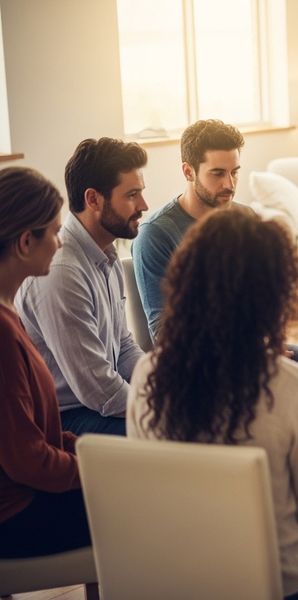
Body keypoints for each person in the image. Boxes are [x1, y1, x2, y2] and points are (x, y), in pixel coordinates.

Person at [130, 119, 298, 535]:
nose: (229, 184)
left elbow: (255, 305)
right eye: (217, 173)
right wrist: (249, 350)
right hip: (196, 361)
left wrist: (261, 343)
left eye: (235, 172)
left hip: (250, 347)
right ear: (188, 170)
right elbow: (162, 331)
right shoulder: (158, 234)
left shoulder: (243, 219)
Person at [127, 209, 298, 598]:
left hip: (177, 574)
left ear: (186, 282)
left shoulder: (147, 375)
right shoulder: (296, 386)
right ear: (273, 295)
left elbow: (147, 495)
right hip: (275, 578)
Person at [15, 138, 148, 436]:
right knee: (181, 435)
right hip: (68, 419)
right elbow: (100, 390)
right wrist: (162, 409)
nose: (144, 205)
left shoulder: (106, 253)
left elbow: (123, 347)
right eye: (132, 195)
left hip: (98, 405)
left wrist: (163, 383)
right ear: (93, 199)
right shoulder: (62, 271)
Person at [0, 167, 90, 558]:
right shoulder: (2, 334)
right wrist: (98, 469)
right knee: (151, 501)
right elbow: (27, 462)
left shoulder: (9, 312)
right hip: (16, 514)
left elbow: (34, 433)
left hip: (27, 495)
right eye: (54, 231)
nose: (60, 241)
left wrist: (91, 451)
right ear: (25, 242)